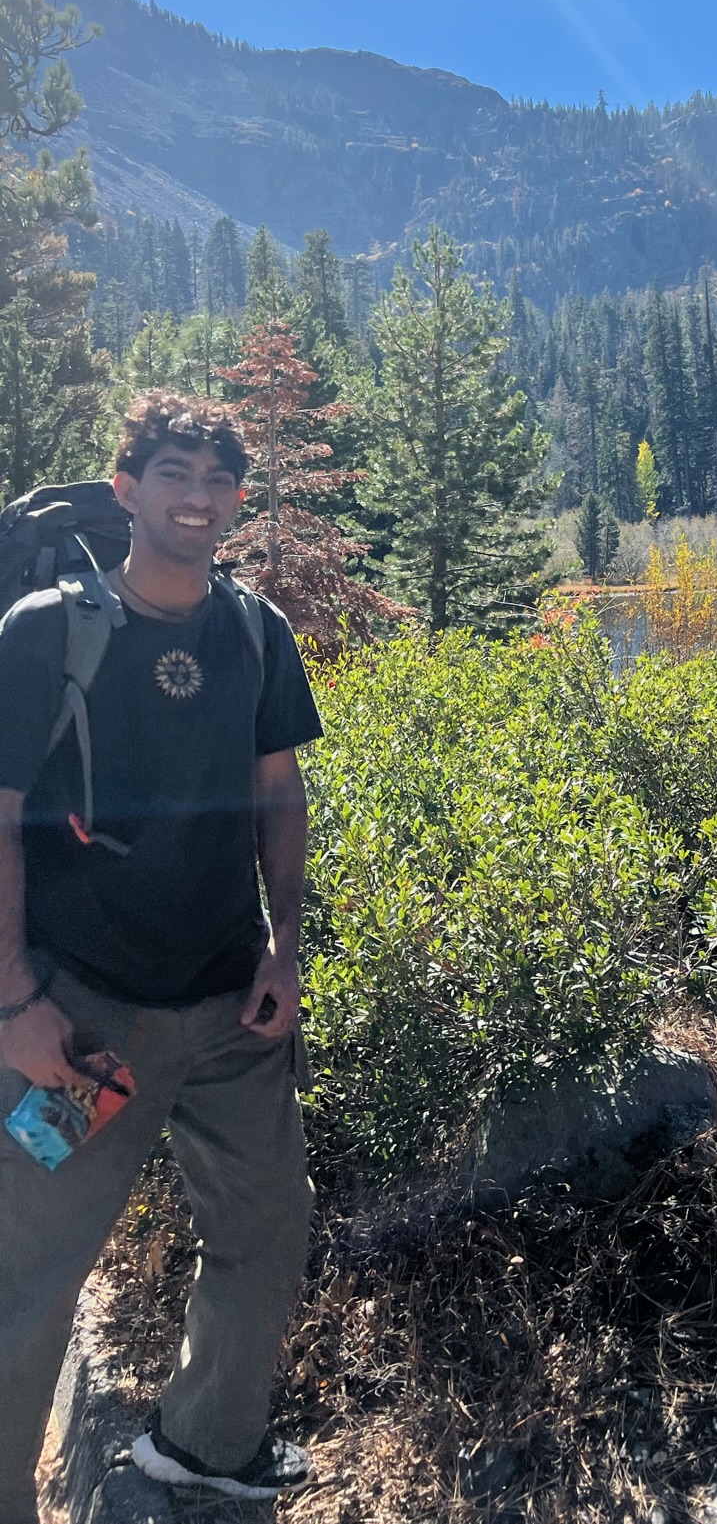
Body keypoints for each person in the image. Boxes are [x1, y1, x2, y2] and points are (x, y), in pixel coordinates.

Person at [0, 393, 323, 1520]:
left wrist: (286, 944)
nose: (199, 495)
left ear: (239, 498)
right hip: (85, 1024)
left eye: (219, 478)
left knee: (269, 1226)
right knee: (29, 1274)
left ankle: (205, 1443)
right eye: (175, 472)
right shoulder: (45, 631)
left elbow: (277, 792)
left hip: (233, 1009)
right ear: (126, 487)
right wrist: (16, 1003)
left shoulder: (253, 631)